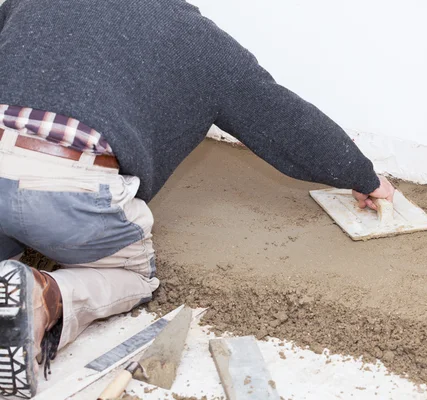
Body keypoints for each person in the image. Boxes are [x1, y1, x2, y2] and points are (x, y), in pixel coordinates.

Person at [0, 0, 395, 398]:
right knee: (134, 276)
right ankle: (41, 295)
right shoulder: (196, 40)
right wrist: (362, 175)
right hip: (70, 191)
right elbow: (285, 122)